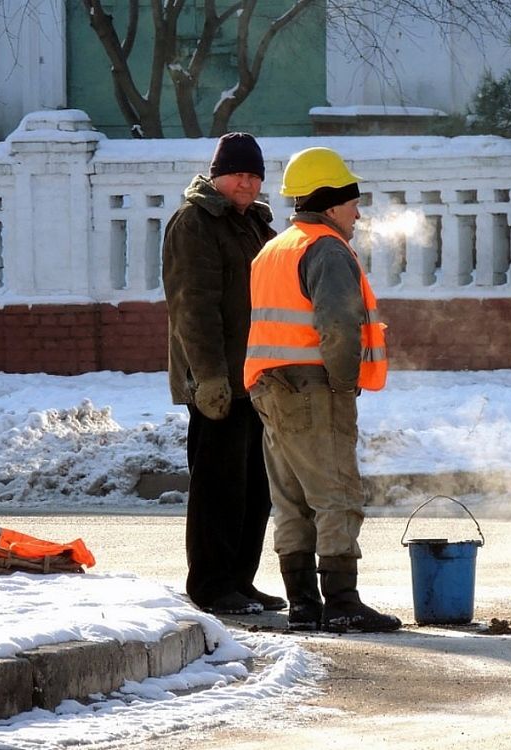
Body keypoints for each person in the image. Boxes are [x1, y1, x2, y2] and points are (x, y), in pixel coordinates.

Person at [244, 147, 400, 633]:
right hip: (313, 386)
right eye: (353, 202)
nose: (358, 213)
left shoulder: (276, 246)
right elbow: (337, 324)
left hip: (270, 387)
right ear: (332, 204)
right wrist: (342, 381)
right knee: (336, 493)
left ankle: (304, 603)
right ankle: (343, 601)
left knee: (291, 498)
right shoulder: (328, 249)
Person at [162, 132, 285, 616]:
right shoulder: (195, 223)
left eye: (254, 175)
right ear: (217, 175)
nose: (248, 183)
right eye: (239, 174)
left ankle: (240, 580)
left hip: (255, 378)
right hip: (219, 384)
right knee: (219, 487)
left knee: (256, 487)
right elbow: (193, 307)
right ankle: (211, 585)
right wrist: (209, 377)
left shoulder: (253, 225)